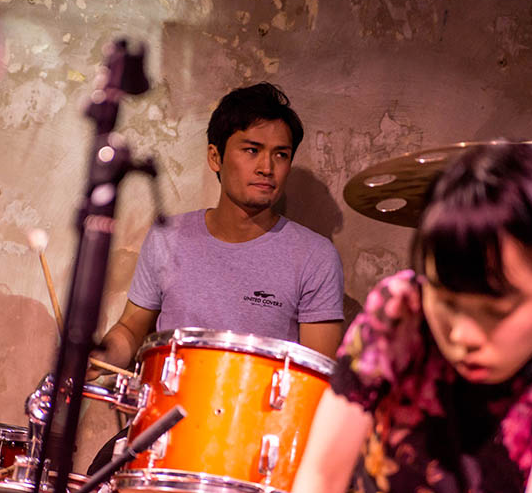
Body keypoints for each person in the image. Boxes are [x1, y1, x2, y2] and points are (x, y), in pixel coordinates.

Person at [291, 142, 532, 493]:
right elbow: (322, 476)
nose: (462, 335)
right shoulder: (402, 313)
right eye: (446, 301)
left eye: (496, 311)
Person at [88, 83, 344, 382]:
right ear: (215, 157)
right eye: (252, 150)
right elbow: (132, 329)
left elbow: (316, 377)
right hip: (167, 406)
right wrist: (100, 357)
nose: (266, 167)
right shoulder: (167, 235)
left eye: (281, 155)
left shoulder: (315, 256)